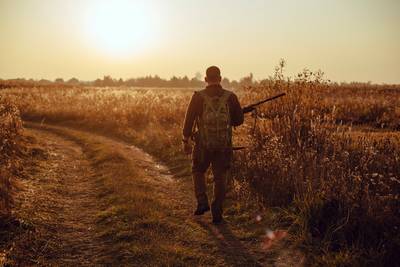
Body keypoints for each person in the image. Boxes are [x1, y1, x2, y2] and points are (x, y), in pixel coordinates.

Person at [182, 66, 244, 224]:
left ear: (205, 79)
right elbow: (238, 121)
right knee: (220, 176)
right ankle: (217, 211)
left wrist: (185, 139)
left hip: (203, 145)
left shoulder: (198, 97)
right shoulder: (230, 97)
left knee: (197, 170)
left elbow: (188, 121)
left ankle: (202, 201)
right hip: (223, 145)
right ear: (220, 78)